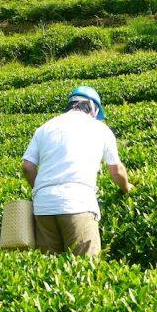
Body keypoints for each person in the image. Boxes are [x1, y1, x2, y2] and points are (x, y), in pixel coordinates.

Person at [21, 85, 132, 257]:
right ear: (93, 109)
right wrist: (126, 188)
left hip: (43, 208)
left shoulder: (45, 127)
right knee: (85, 268)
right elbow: (116, 170)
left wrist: (42, 190)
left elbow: (27, 167)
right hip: (77, 204)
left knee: (50, 271)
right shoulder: (100, 129)